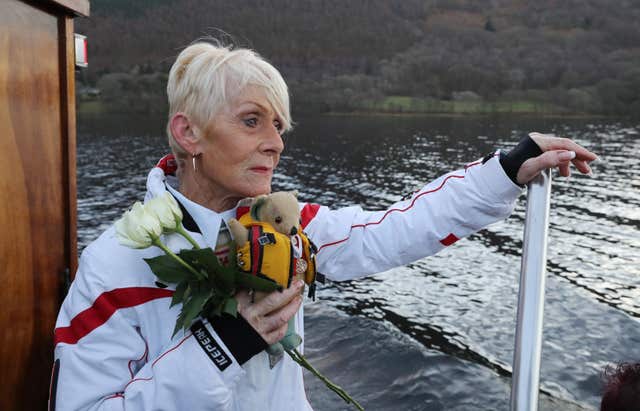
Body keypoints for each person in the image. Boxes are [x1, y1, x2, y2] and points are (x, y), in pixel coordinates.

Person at [50, 41, 597, 411]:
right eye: (251, 121)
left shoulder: (289, 230)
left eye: (279, 125)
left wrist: (504, 171)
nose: (276, 142)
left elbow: (394, 228)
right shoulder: (116, 263)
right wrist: (222, 345)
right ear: (188, 133)